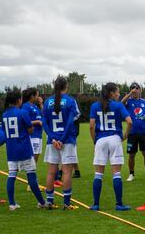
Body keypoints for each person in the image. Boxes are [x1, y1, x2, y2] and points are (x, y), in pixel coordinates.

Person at [89, 82, 132, 211]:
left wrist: (94, 140)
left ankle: (96, 204)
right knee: (116, 174)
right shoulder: (118, 105)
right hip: (115, 139)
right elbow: (130, 122)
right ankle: (119, 204)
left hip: (100, 140)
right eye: (117, 92)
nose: (119, 94)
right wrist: (125, 136)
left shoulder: (95, 105)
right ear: (111, 93)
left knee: (98, 174)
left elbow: (91, 126)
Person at [2, 90, 46, 211]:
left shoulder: (4, 114)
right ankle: (42, 202)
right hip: (24, 148)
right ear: (18, 100)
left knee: (11, 176)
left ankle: (12, 204)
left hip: (11, 150)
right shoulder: (22, 113)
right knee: (31, 175)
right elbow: (31, 130)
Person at [42, 76, 81, 210]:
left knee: (51, 171)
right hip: (67, 140)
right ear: (66, 86)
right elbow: (71, 122)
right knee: (66, 172)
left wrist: (53, 138)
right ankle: (66, 203)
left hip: (52, 142)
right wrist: (62, 139)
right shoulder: (70, 101)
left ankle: (49, 201)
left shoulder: (47, 102)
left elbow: (44, 123)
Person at [121, 82, 145, 182]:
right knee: (131, 154)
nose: (135, 90)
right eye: (133, 88)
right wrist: (130, 93)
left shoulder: (144, 102)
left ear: (140, 90)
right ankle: (131, 174)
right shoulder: (128, 101)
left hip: (143, 132)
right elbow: (121, 103)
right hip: (132, 133)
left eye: (137, 88)